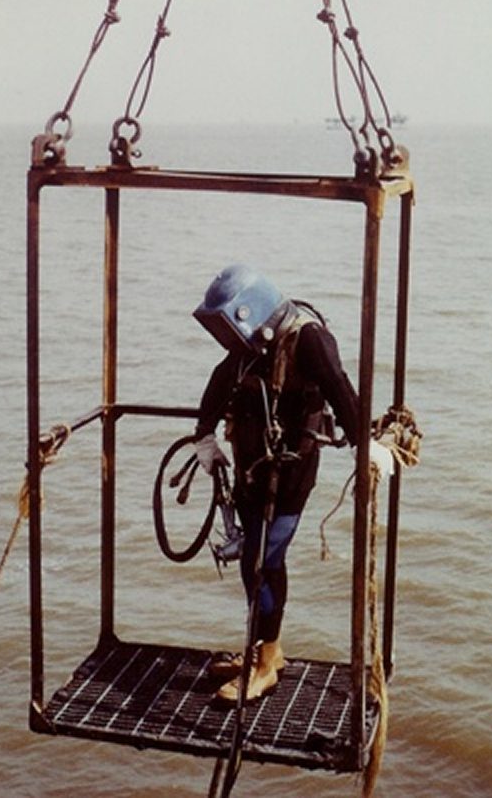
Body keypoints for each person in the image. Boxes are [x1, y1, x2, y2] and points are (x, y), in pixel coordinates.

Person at [192, 263, 393, 702]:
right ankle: (267, 651)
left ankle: (265, 668)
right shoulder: (250, 348)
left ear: (252, 312)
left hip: (291, 473)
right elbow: (219, 380)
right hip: (251, 469)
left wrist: (365, 445)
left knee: (264, 559)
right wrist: (204, 437)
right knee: (253, 560)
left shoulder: (308, 340)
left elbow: (341, 390)